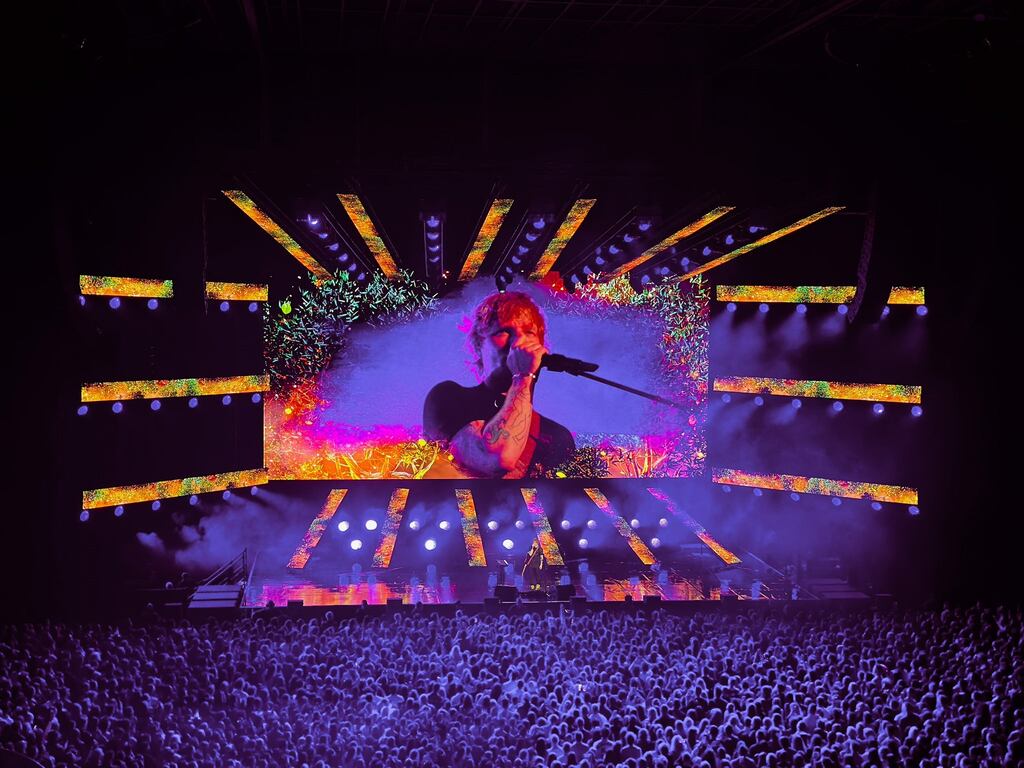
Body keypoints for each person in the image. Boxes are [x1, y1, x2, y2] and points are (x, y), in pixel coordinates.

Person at [423, 291, 575, 478]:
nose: (519, 343)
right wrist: (522, 376)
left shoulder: (558, 436)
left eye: (529, 332)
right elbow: (496, 459)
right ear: (478, 346)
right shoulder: (447, 398)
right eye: (503, 332)